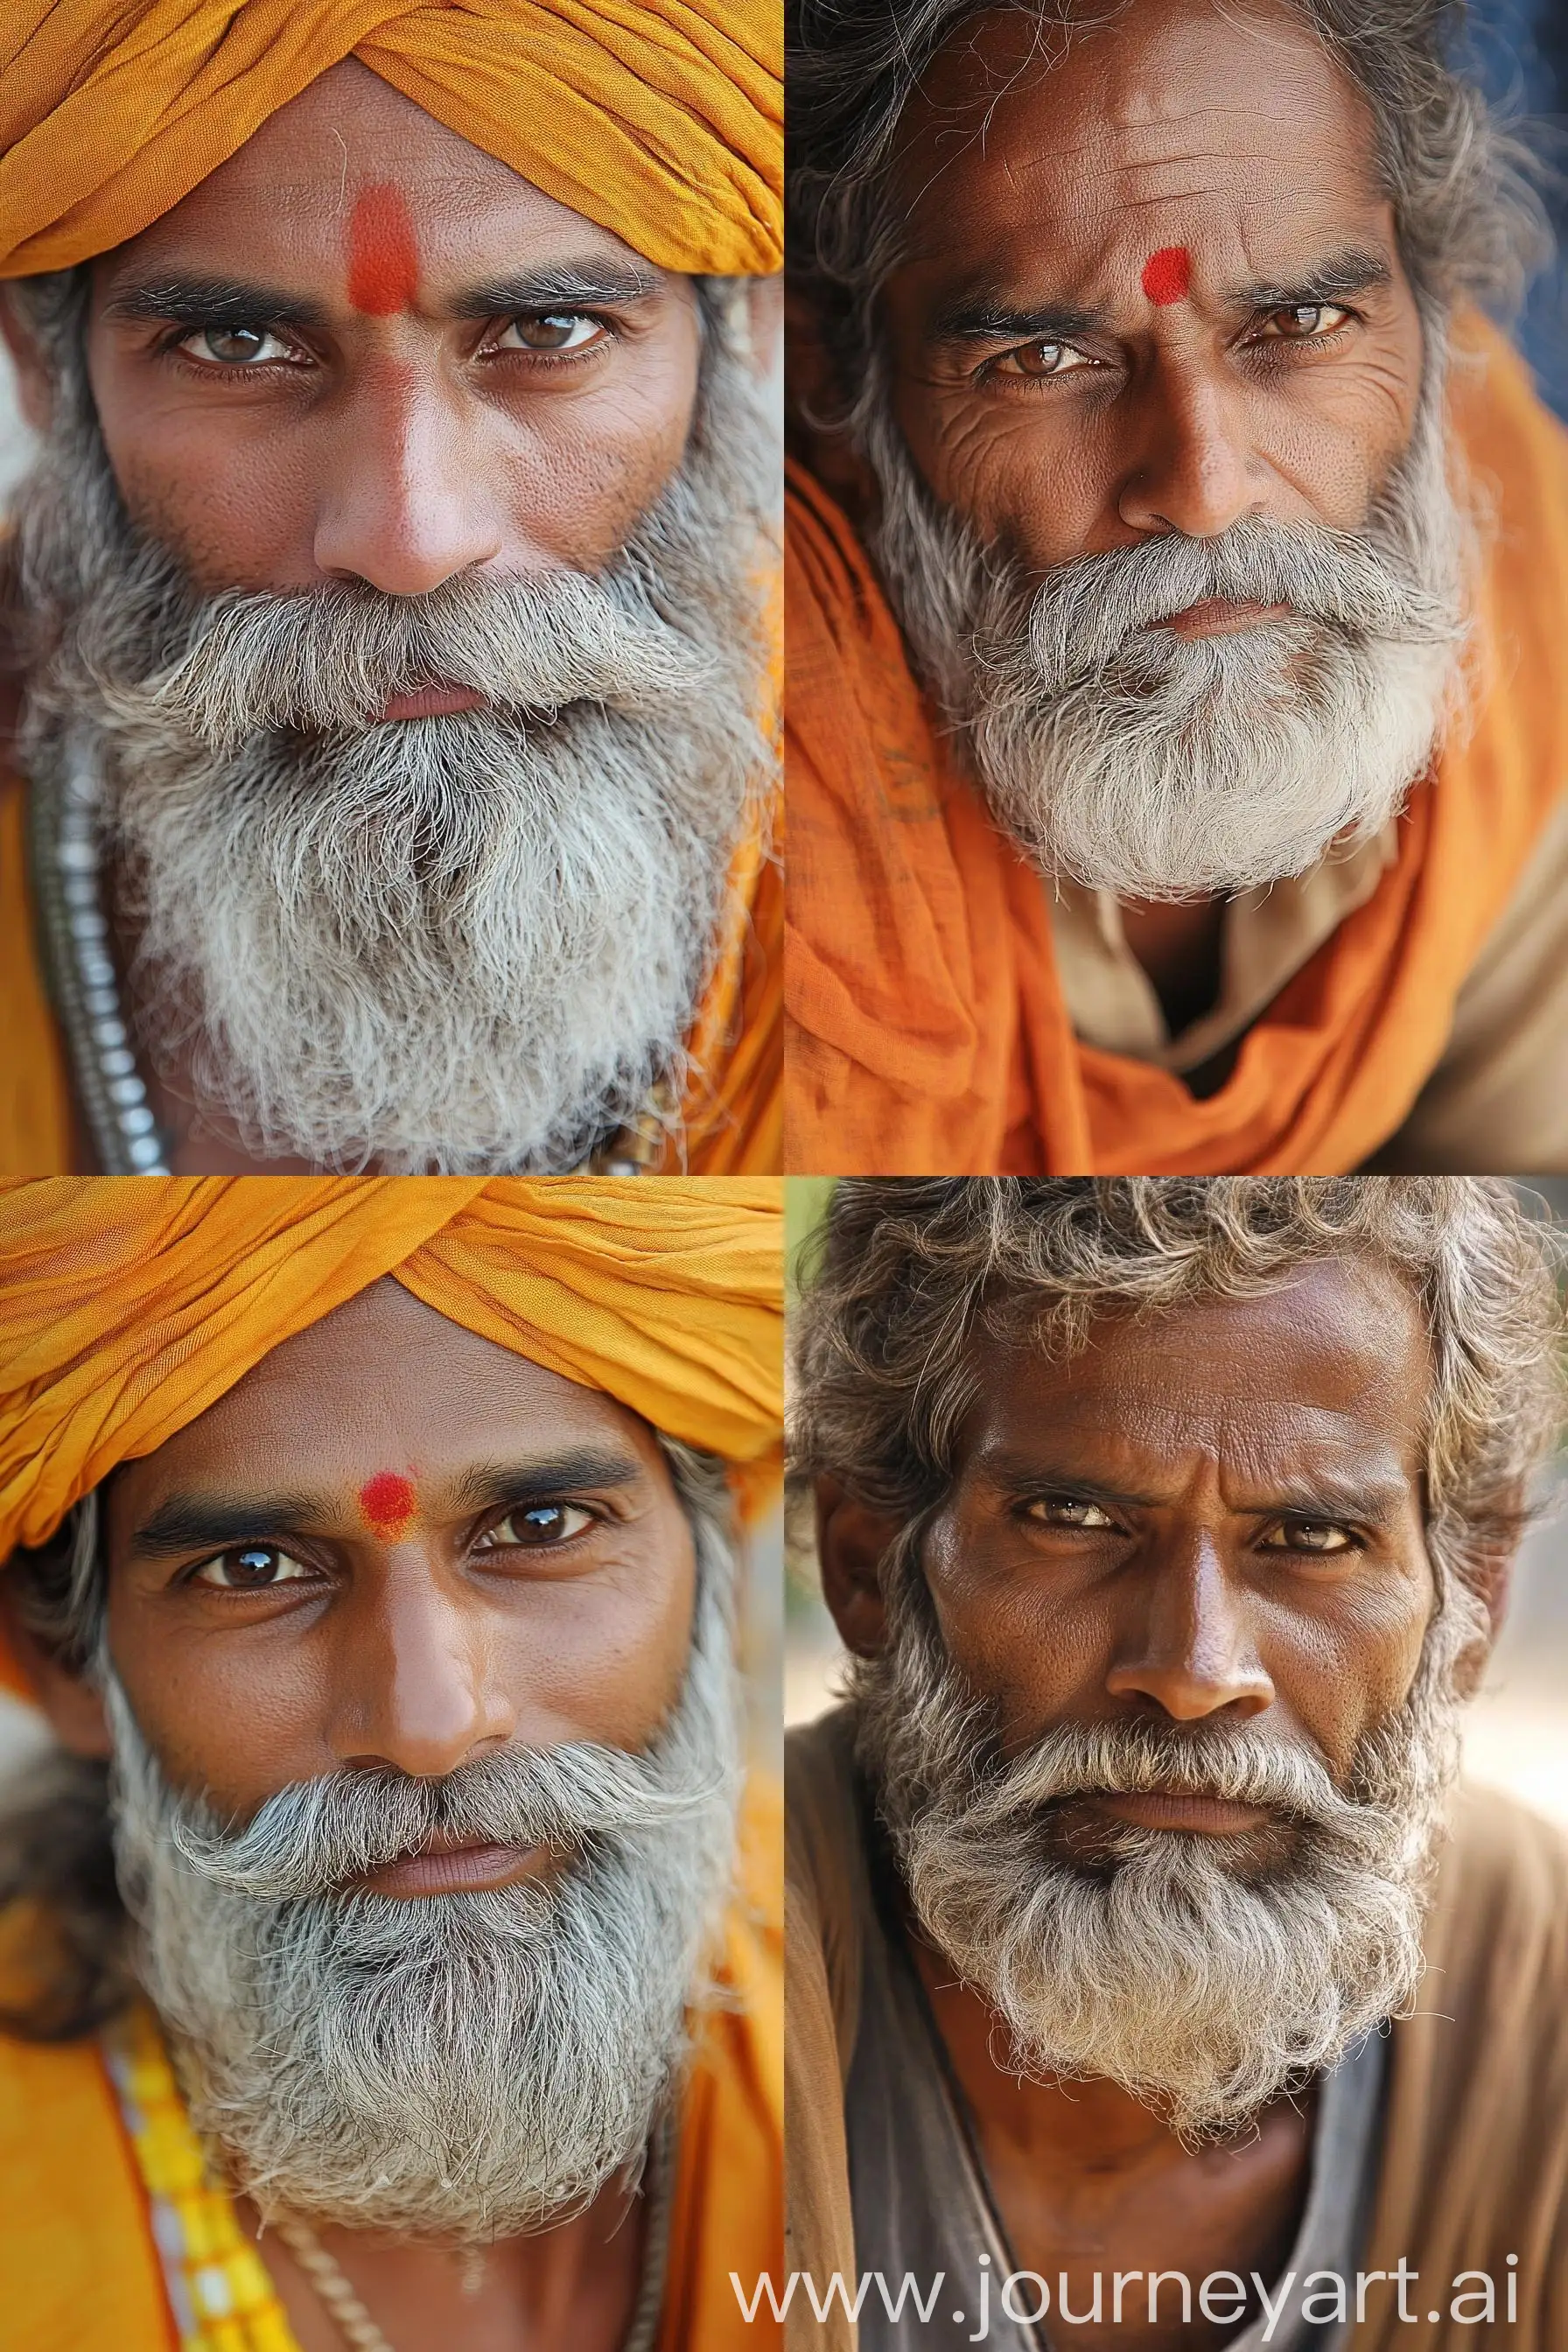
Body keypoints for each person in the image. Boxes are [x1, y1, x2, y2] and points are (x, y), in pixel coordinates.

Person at [0, 1174, 785, 2352]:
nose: (430, 1722)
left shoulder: (911, 1999)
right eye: (254, 1569)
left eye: (539, 1529)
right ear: (71, 1664)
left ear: (717, 1576)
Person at [0, 3, 783, 1179]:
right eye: (239, 349)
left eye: (549, 328)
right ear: (44, 369)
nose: (410, 540)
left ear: (747, 328)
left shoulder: (905, 840)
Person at [784, 0, 1568, 1173]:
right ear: (833, 394)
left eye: (1300, 321)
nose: (1205, 486)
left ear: (1432, 318)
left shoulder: (1517, 554)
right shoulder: (754, 771)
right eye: (1042, 359)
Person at [785, 1177, 1568, 2351]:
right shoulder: (704, 1959)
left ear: (1474, 1603)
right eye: (1074, 1519)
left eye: (1310, 1540)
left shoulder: (1541, 1990)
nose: (1197, 1669)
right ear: (868, 1569)